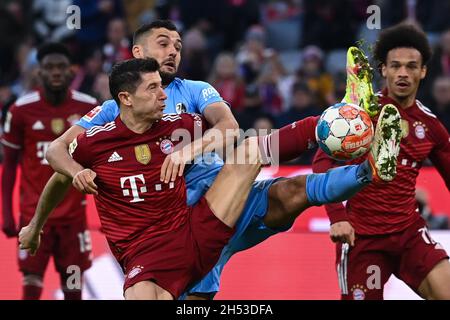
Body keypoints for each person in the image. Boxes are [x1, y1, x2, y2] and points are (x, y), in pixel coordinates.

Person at [21, 20, 399, 300]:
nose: (173, 51)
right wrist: (75, 175)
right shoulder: (109, 113)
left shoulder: (195, 93)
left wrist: (189, 149)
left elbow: (230, 128)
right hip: (176, 217)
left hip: (219, 193)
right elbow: (58, 153)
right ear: (137, 55)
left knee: (292, 192)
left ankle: (358, 145)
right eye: (163, 43)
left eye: (179, 45)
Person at [313, 23, 450, 300]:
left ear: (423, 71)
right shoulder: (357, 117)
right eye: (395, 65)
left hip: (409, 234)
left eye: (412, 66)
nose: (403, 73)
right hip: (360, 237)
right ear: (383, 70)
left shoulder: (431, 126)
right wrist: (337, 218)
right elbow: (321, 164)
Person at [1, 42, 97, 300]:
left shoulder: (90, 108)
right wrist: (7, 214)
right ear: (38, 72)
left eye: (61, 67)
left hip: (73, 217)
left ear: (72, 71)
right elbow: (9, 166)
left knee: (73, 282)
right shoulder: (20, 109)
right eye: (49, 67)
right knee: (31, 279)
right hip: (33, 216)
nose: (55, 72)